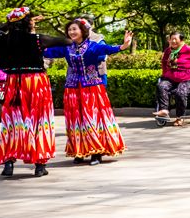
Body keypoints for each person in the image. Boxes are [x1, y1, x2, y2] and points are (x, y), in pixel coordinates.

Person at [0, 8, 71, 177]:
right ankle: (40, 165)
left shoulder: (3, 40)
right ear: (28, 23)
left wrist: (12, 23)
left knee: (12, 122)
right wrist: (30, 27)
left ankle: (8, 164)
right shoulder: (38, 39)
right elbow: (67, 42)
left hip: (13, 83)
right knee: (39, 120)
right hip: (35, 83)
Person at [43, 19, 133, 165]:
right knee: (75, 120)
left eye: (74, 29)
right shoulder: (67, 48)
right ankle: (79, 151)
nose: (71, 32)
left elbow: (108, 49)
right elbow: (49, 51)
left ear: (83, 31)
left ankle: (96, 152)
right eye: (69, 30)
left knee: (92, 119)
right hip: (72, 88)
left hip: (92, 88)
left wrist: (123, 46)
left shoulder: (92, 46)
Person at [154, 32, 190, 125]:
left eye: (176, 39)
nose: (173, 41)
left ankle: (180, 117)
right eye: (172, 39)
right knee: (161, 86)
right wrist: (165, 73)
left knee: (180, 93)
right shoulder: (168, 51)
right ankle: (164, 111)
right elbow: (163, 62)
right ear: (169, 40)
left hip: (186, 78)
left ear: (181, 40)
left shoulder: (189, 50)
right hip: (171, 77)